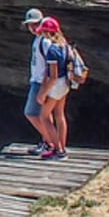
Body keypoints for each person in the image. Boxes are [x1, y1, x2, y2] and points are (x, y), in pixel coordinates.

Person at [34, 17, 72, 159]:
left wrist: (42, 93)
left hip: (56, 86)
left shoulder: (52, 50)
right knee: (59, 115)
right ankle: (62, 147)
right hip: (65, 84)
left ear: (47, 32)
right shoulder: (65, 46)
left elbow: (53, 76)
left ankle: (58, 150)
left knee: (44, 117)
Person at [19, 8, 54, 155]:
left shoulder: (45, 41)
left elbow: (50, 65)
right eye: (30, 25)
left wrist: (44, 87)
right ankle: (47, 143)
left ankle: (51, 142)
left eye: (35, 24)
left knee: (31, 113)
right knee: (44, 115)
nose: (33, 27)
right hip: (38, 81)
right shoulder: (38, 39)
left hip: (41, 82)